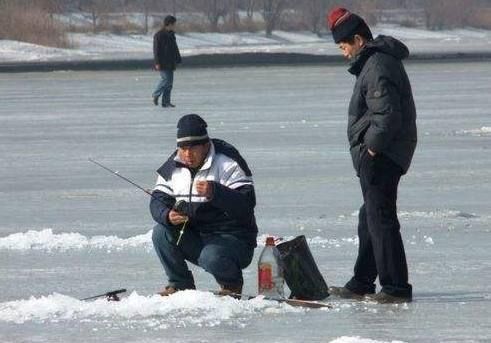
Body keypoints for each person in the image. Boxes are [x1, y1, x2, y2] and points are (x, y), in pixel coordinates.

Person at [326, 7, 417, 303]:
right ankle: (362, 281)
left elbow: (387, 115)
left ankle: (395, 287)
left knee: (380, 218)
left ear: (358, 39)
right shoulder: (374, 63)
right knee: (370, 217)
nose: (343, 53)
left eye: (344, 46)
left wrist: (372, 149)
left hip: (382, 154)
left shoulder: (376, 65)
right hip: (382, 152)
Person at [150, 114, 258, 296]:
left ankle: (231, 284)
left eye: (193, 148)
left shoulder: (228, 162)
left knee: (211, 256)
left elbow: (247, 204)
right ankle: (180, 283)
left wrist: (216, 192)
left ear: (206, 145)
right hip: (196, 236)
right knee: (161, 233)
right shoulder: (173, 166)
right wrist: (167, 215)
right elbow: (157, 199)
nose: (187, 154)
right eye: (183, 148)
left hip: (234, 239)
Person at [152, 15, 181, 108]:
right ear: (169, 24)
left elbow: (175, 48)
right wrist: (157, 62)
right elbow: (156, 50)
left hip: (171, 62)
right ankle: (156, 94)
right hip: (162, 62)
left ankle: (166, 102)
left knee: (169, 84)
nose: (175, 26)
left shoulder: (172, 34)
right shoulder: (159, 35)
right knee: (166, 80)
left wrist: (178, 58)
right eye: (174, 24)